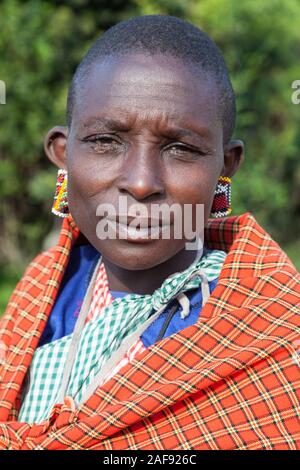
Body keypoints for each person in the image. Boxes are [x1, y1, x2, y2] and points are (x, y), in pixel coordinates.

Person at [0, 15, 299, 450]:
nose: (141, 183)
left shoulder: (270, 334)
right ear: (63, 155)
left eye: (180, 148)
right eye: (105, 141)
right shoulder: (43, 290)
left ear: (225, 165)